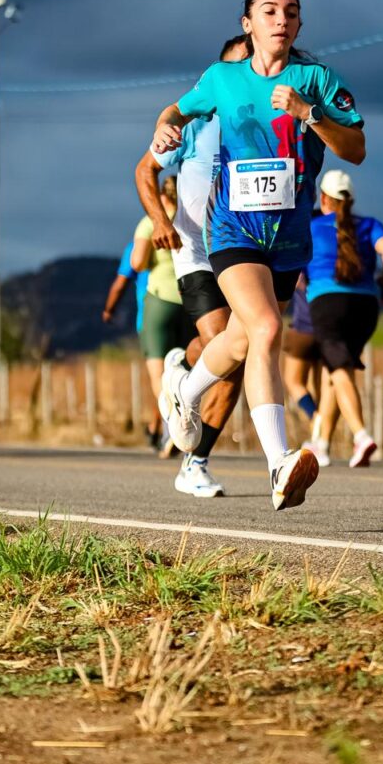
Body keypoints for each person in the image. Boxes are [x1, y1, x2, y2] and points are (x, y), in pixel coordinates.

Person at [152, 0, 365, 510]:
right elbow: (174, 112)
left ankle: (184, 391)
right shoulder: (222, 79)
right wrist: (164, 130)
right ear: (248, 24)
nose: (281, 20)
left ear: (299, 24)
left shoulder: (316, 80)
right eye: (269, 11)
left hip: (288, 236)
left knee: (243, 340)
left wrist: (310, 114)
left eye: (291, 12)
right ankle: (278, 462)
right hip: (232, 228)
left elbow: (356, 149)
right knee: (267, 327)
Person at [134, 35, 248, 498]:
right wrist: (160, 220)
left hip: (246, 253)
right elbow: (145, 170)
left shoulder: (264, 124)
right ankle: (183, 379)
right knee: (224, 344)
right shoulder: (195, 122)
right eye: (239, 67)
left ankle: (195, 460)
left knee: (237, 357)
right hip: (196, 253)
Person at [304, 170, 383, 468]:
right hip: (366, 306)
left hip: (327, 304)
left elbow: (295, 272)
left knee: (338, 369)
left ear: (323, 198)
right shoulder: (370, 224)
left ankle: (361, 435)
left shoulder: (311, 226)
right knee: (334, 371)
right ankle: (322, 444)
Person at [131, 176, 194, 454]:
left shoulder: (150, 222)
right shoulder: (191, 220)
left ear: (160, 195)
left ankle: (170, 429)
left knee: (159, 373)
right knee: (185, 369)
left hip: (160, 301)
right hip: (190, 301)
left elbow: (137, 262)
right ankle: (186, 426)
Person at [101, 241, 157, 448]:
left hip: (150, 318)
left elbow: (120, 283)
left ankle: (161, 426)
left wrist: (109, 310)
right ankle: (159, 424)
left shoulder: (138, 243)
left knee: (158, 376)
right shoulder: (182, 233)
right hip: (187, 312)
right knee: (177, 372)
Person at [283, 275, 340, 468]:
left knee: (294, 381)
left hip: (303, 328)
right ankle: (323, 442)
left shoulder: (303, 261)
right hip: (330, 330)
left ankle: (315, 417)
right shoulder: (334, 263)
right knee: (326, 386)